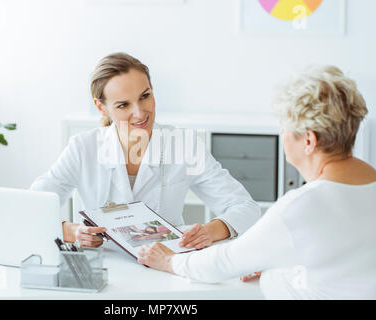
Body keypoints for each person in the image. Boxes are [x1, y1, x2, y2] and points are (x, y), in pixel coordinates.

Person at [137, 65, 376, 299]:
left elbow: (223, 262)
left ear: (309, 141)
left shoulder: (302, 206)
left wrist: (169, 260)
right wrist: (275, 258)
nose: (282, 135)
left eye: (284, 128)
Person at [30, 52, 261, 250]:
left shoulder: (183, 145)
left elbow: (246, 208)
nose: (140, 113)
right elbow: (33, 206)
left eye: (145, 96)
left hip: (166, 262)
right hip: (104, 266)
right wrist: (72, 231)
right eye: (123, 105)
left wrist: (210, 232)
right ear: (102, 108)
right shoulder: (83, 148)